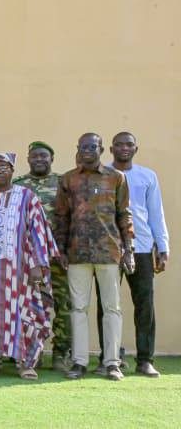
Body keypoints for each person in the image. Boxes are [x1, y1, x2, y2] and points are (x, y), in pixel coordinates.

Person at [0, 152, 61, 380]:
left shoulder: (26, 197)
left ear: (13, 170)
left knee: (26, 312)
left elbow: (38, 232)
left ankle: (26, 362)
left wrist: (38, 265)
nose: (0, 171)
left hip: (21, 269)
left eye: (4, 167)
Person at [53, 133, 135, 381]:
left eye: (92, 146)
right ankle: (78, 362)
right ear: (77, 150)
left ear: (101, 149)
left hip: (109, 252)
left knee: (112, 309)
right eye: (83, 147)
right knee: (78, 309)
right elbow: (61, 218)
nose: (87, 150)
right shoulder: (68, 179)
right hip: (77, 254)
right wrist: (61, 250)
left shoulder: (116, 178)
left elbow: (124, 215)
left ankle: (112, 363)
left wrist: (129, 250)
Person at [101, 132, 168, 378]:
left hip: (141, 248)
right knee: (107, 305)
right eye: (119, 144)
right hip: (109, 247)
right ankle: (109, 358)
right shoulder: (103, 174)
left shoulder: (147, 176)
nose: (124, 148)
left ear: (136, 149)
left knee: (144, 304)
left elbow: (155, 213)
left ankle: (145, 359)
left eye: (129, 144)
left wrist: (162, 247)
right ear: (111, 148)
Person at [13, 140, 71, 371]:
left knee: (63, 303)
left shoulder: (62, 183)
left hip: (56, 257)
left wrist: (66, 249)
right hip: (27, 259)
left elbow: (72, 217)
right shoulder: (19, 185)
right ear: (28, 160)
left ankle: (60, 352)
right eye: (35, 156)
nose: (39, 160)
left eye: (43, 156)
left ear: (51, 159)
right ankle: (24, 351)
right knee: (25, 305)